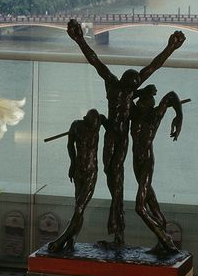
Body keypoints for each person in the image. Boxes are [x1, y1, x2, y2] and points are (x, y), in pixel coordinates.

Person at [65, 18, 185, 247]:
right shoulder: (115, 84)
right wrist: (79, 39)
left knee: (117, 182)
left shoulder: (125, 89)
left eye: (135, 90)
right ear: (129, 84)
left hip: (119, 139)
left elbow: (153, 66)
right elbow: (94, 60)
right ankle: (117, 229)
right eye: (134, 88)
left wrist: (170, 48)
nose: (133, 91)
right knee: (114, 180)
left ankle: (118, 232)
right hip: (113, 137)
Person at [130, 84, 184, 252]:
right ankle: (162, 241)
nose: (138, 103)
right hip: (136, 161)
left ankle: (165, 238)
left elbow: (172, 94)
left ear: (148, 103)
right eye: (138, 102)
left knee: (140, 206)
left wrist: (179, 117)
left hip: (146, 161)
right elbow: (127, 95)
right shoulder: (134, 115)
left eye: (142, 101)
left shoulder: (154, 116)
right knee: (151, 202)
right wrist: (142, 91)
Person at [47, 108, 107, 254]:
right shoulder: (76, 126)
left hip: (92, 172)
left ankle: (61, 240)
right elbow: (70, 145)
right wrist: (72, 164)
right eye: (91, 124)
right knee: (78, 208)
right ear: (85, 119)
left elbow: (113, 129)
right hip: (79, 171)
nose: (94, 127)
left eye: (96, 124)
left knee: (80, 207)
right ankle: (72, 239)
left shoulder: (99, 122)